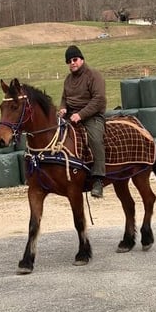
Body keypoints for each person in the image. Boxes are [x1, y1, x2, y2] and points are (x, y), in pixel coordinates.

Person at [58, 45, 107, 198]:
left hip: (92, 116)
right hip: (71, 116)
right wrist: (63, 108)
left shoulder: (93, 75)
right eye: (69, 61)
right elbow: (64, 98)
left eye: (75, 59)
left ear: (82, 59)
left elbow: (99, 100)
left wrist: (80, 114)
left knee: (95, 139)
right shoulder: (68, 80)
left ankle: (98, 179)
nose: (72, 63)